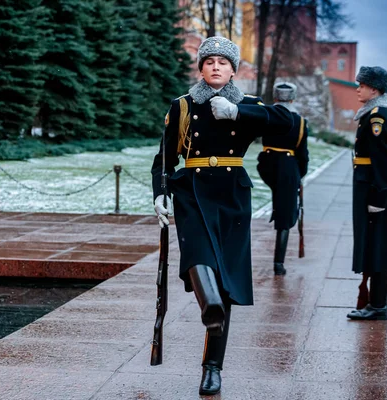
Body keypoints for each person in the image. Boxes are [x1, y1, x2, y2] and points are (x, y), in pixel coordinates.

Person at [151, 36, 293, 396]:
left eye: (223, 62)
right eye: (209, 61)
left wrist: (238, 112)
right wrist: (159, 193)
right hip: (193, 192)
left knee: (226, 281)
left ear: (233, 70)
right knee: (198, 255)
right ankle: (209, 304)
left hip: (232, 197)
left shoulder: (247, 104)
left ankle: (212, 367)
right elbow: (164, 158)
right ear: (200, 68)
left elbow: (287, 123)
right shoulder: (182, 106)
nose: (216, 67)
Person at [347, 66, 387, 321]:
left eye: (362, 84)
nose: (358, 88)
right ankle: (376, 303)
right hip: (369, 186)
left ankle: (379, 305)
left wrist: (379, 198)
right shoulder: (372, 114)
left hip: (374, 189)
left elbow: (383, 161)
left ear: (375, 89)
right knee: (374, 246)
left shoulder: (378, 116)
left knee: (379, 247)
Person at [257, 82, 309, 275]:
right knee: (286, 213)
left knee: (281, 203)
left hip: (266, 164)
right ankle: (278, 263)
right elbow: (303, 154)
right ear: (293, 99)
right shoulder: (300, 121)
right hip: (288, 167)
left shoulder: (268, 116)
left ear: (276, 98)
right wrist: (299, 175)